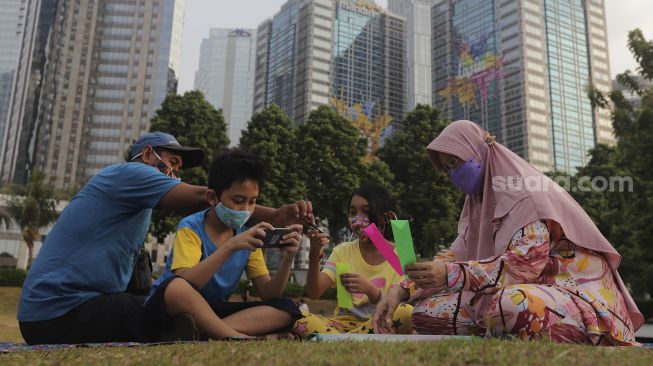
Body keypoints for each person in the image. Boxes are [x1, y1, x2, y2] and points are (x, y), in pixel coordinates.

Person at [17, 132, 312, 345]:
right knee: (161, 300)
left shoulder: (139, 204)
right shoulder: (128, 174)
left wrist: (283, 251)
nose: (175, 173)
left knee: (156, 307)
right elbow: (201, 196)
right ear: (147, 155)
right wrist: (274, 215)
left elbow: (269, 292)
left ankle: (207, 331)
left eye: (179, 168)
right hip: (56, 311)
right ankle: (224, 334)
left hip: (85, 307)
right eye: (172, 162)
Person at [373, 120, 643, 345]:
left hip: (575, 298)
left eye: (454, 162)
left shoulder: (525, 194)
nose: (451, 174)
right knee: (425, 312)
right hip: (525, 295)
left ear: (478, 152)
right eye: (446, 168)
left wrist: (451, 274)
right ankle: (499, 330)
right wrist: (402, 289)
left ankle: (582, 336)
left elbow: (523, 268)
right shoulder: (477, 204)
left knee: (510, 305)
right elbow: (452, 258)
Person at [144, 149, 303, 340]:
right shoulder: (191, 227)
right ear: (213, 198)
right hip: (168, 309)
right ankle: (238, 337)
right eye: (238, 200)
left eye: (253, 202)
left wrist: (288, 259)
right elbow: (187, 283)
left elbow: (270, 295)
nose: (246, 210)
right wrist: (230, 246)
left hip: (208, 313)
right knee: (177, 288)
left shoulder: (248, 236)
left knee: (286, 308)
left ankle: (204, 332)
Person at [293, 185, 413, 338]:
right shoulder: (342, 251)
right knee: (296, 316)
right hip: (341, 326)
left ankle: (338, 339)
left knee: (406, 312)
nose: (357, 219)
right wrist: (314, 254)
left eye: (366, 211)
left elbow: (408, 299)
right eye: (352, 212)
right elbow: (314, 292)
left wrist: (371, 290)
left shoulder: (403, 250)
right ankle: (351, 338)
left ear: (386, 217)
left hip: (381, 320)